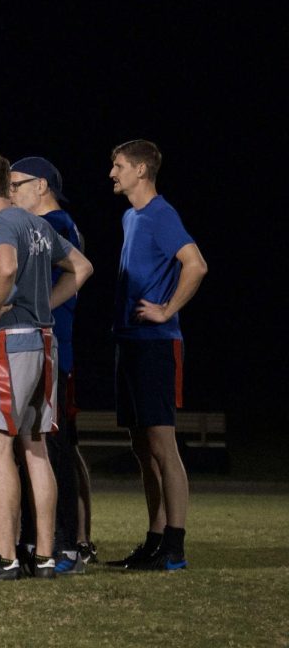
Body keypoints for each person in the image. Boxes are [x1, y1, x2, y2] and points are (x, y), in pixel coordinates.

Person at [0, 151, 92, 581]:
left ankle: (6, 557)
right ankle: (46, 556)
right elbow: (82, 267)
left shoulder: (2, 224)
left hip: (9, 345)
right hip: (44, 344)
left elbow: (6, 266)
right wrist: (44, 306)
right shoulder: (39, 224)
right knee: (35, 450)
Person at [107, 139, 206, 571]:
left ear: (142, 170)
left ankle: (175, 545)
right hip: (129, 341)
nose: (113, 173)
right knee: (141, 446)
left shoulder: (161, 214)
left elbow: (196, 264)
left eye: (119, 166)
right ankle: (155, 538)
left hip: (156, 344)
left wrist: (166, 309)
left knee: (163, 444)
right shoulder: (131, 216)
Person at [9, 156, 96, 573]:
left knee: (51, 450)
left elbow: (79, 271)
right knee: (49, 448)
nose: (10, 193)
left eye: (16, 184)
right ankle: (55, 541)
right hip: (51, 350)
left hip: (49, 350)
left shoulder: (54, 224)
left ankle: (63, 545)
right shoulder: (58, 223)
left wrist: (40, 307)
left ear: (40, 185)